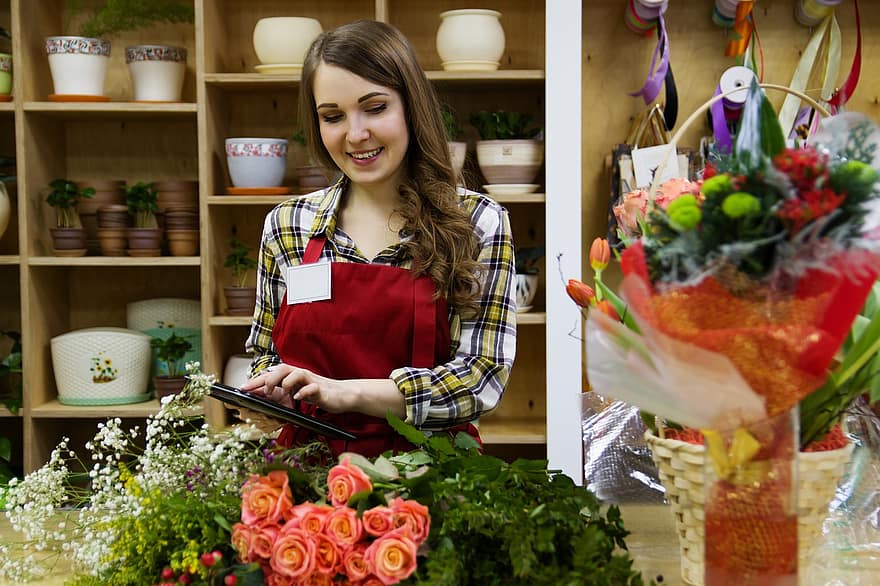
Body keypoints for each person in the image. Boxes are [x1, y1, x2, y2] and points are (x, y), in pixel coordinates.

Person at [240, 19, 517, 458]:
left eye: (374, 107)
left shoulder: (477, 222)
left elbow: (480, 378)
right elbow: (264, 353)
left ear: (411, 106)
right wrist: (271, 393)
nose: (355, 134)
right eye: (333, 116)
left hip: (431, 477)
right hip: (305, 479)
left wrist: (343, 393)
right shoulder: (287, 225)